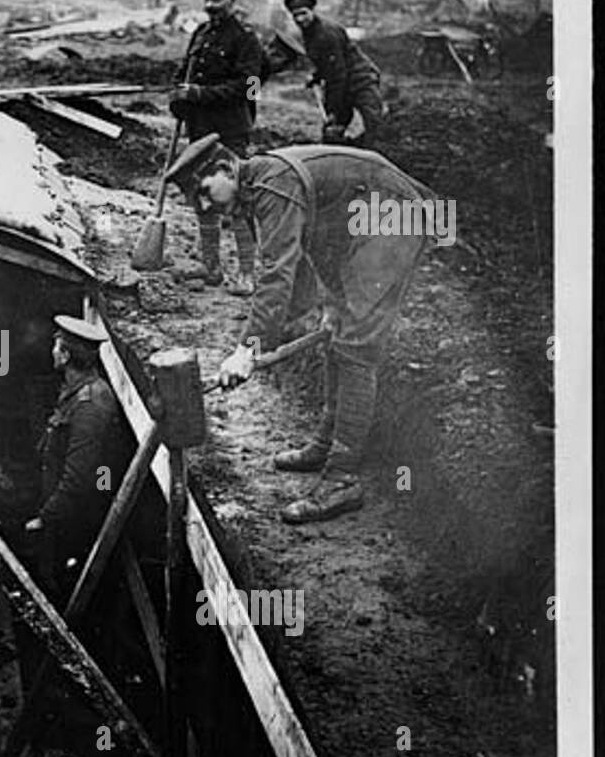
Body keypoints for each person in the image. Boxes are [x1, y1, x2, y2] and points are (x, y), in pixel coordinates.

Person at [165, 133, 434, 524]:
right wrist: (332, 300)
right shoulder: (256, 189)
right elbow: (315, 244)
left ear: (225, 169)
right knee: (337, 341)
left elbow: (278, 274)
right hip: (362, 225)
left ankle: (342, 479)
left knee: (357, 349)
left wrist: (248, 349)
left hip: (394, 216)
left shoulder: (273, 187)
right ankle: (326, 445)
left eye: (204, 192)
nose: (204, 205)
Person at [171, 0, 266, 294]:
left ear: (232, 1)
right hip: (200, 129)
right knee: (204, 196)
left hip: (229, 129)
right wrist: (179, 98)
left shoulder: (245, 39)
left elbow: (247, 86)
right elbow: (184, 71)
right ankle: (211, 268)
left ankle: (247, 273)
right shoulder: (200, 33)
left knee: (236, 198)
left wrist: (198, 94)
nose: (212, 5)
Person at [25, 316, 129, 604]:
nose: (52, 351)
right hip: (65, 504)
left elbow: (79, 478)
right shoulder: (75, 388)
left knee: (65, 575)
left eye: (56, 346)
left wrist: (45, 518)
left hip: (76, 513)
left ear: (66, 355)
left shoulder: (90, 405)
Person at [284, 0, 385, 147]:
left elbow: (337, 75)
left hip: (361, 79)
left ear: (312, 11)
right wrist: (317, 77)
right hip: (342, 80)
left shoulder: (326, 33)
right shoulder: (310, 32)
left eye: (303, 13)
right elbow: (327, 64)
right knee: (332, 131)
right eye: (295, 15)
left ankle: (381, 156)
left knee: (375, 126)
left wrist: (332, 109)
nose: (299, 19)